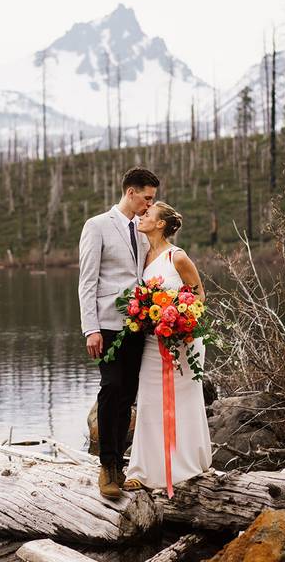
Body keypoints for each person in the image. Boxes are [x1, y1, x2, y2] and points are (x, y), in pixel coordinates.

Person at [78, 167, 159, 498]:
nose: (150, 205)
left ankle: (120, 465)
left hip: (138, 325)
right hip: (108, 326)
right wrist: (90, 329)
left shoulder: (143, 231)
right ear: (131, 192)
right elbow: (87, 281)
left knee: (128, 395)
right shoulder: (97, 226)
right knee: (111, 387)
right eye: (147, 198)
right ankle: (106, 466)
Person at [123, 201, 212, 493]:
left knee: (183, 401)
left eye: (147, 214)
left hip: (182, 341)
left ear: (160, 224)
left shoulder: (178, 257)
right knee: (149, 400)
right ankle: (141, 470)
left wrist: (181, 319)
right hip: (152, 340)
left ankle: (184, 467)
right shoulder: (141, 255)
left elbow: (199, 295)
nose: (142, 216)